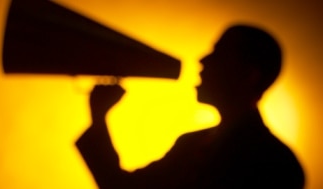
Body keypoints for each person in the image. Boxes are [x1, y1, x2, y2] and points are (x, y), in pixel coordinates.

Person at [76, 25, 305, 188]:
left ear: (249, 74)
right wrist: (99, 117)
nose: (203, 60)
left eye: (219, 54)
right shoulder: (191, 144)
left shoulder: (274, 164)